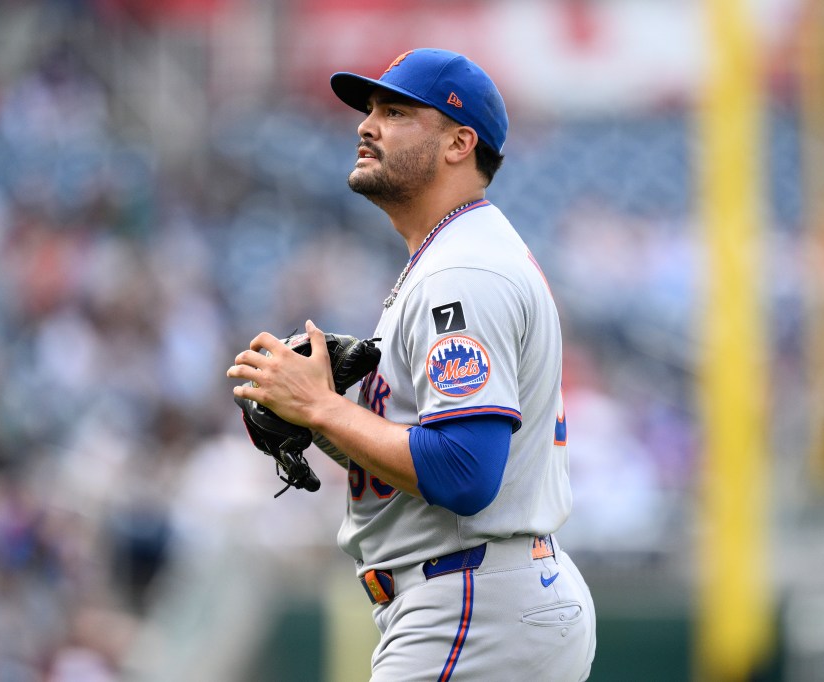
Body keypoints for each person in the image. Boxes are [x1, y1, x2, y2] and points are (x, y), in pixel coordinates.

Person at [227, 48, 596, 681]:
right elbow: (436, 457)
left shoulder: (462, 272)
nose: (367, 126)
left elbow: (463, 473)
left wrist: (322, 407)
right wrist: (324, 421)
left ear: (459, 143)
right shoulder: (455, 255)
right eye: (369, 110)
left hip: (471, 605)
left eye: (396, 111)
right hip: (482, 597)